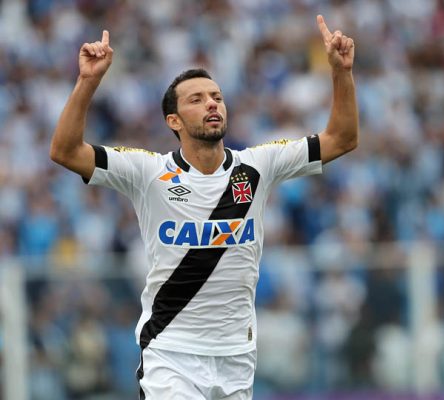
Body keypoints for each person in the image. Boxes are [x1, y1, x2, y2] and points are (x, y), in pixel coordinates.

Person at [49, 15, 357, 400]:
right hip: (171, 353)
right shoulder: (148, 172)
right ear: (173, 121)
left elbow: (342, 139)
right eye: (197, 99)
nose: (212, 104)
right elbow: (64, 151)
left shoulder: (258, 166)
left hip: (236, 355)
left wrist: (341, 72)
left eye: (217, 97)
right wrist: (88, 82)